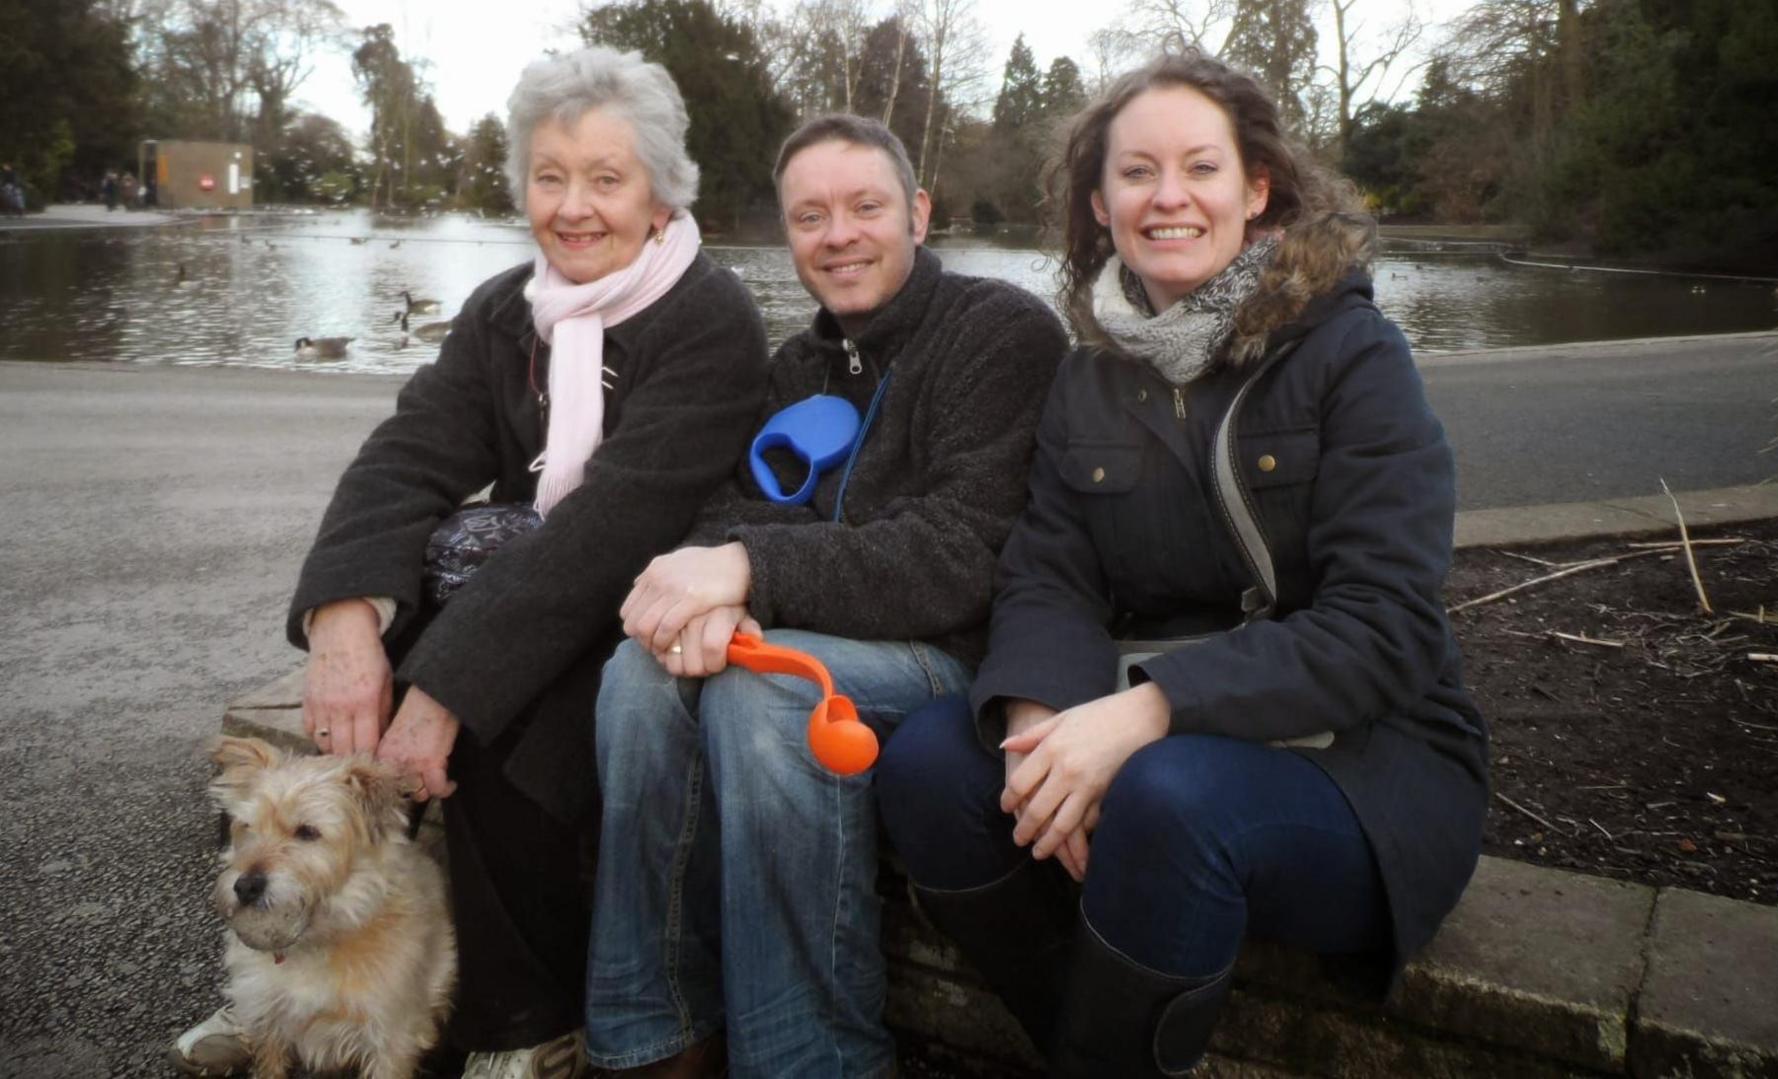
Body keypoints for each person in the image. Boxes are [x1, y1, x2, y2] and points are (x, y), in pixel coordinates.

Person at [874, 51, 1489, 1076]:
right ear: (1098, 202)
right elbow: (1048, 574)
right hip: (1152, 727)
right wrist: (1040, 728)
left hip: (1367, 762)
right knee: (937, 763)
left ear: (1256, 192)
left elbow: (1389, 624)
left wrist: (1143, 713)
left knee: (1168, 796)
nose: (1170, 197)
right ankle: (1090, 1042)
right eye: (1137, 172)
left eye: (1201, 168)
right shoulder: (1087, 380)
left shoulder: (1354, 353)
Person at [170, 47, 769, 1079]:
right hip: (535, 583)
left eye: (605, 178)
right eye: (549, 176)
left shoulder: (711, 318)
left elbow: (615, 522)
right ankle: (300, 989)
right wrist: (343, 619)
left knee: (503, 712)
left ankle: (518, 1020)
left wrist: (443, 686)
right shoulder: (506, 309)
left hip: (648, 607)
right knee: (375, 675)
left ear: (662, 192)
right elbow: (408, 456)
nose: (572, 207)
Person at [586, 114, 1067, 1077]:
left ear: (917, 214)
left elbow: (959, 551)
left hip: (952, 654)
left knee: (773, 696)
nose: (838, 234)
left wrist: (751, 569)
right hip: (807, 629)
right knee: (643, 672)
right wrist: (724, 585)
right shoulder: (796, 367)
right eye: (811, 216)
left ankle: (810, 1056)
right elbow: (728, 506)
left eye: (864, 207)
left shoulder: (999, 332)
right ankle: (650, 1034)